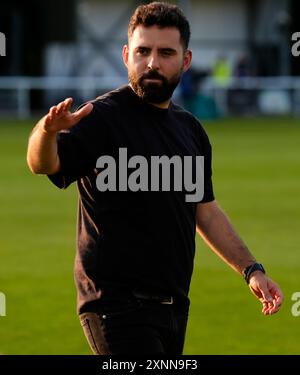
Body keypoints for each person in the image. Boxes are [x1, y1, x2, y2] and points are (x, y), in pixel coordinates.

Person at [26, 2, 283, 355]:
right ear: (126, 54)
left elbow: (204, 210)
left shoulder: (191, 131)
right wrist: (46, 131)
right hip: (114, 306)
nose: (152, 63)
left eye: (165, 53)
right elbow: (43, 164)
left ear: (186, 60)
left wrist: (251, 269)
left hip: (173, 305)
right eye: (143, 51)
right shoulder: (101, 119)